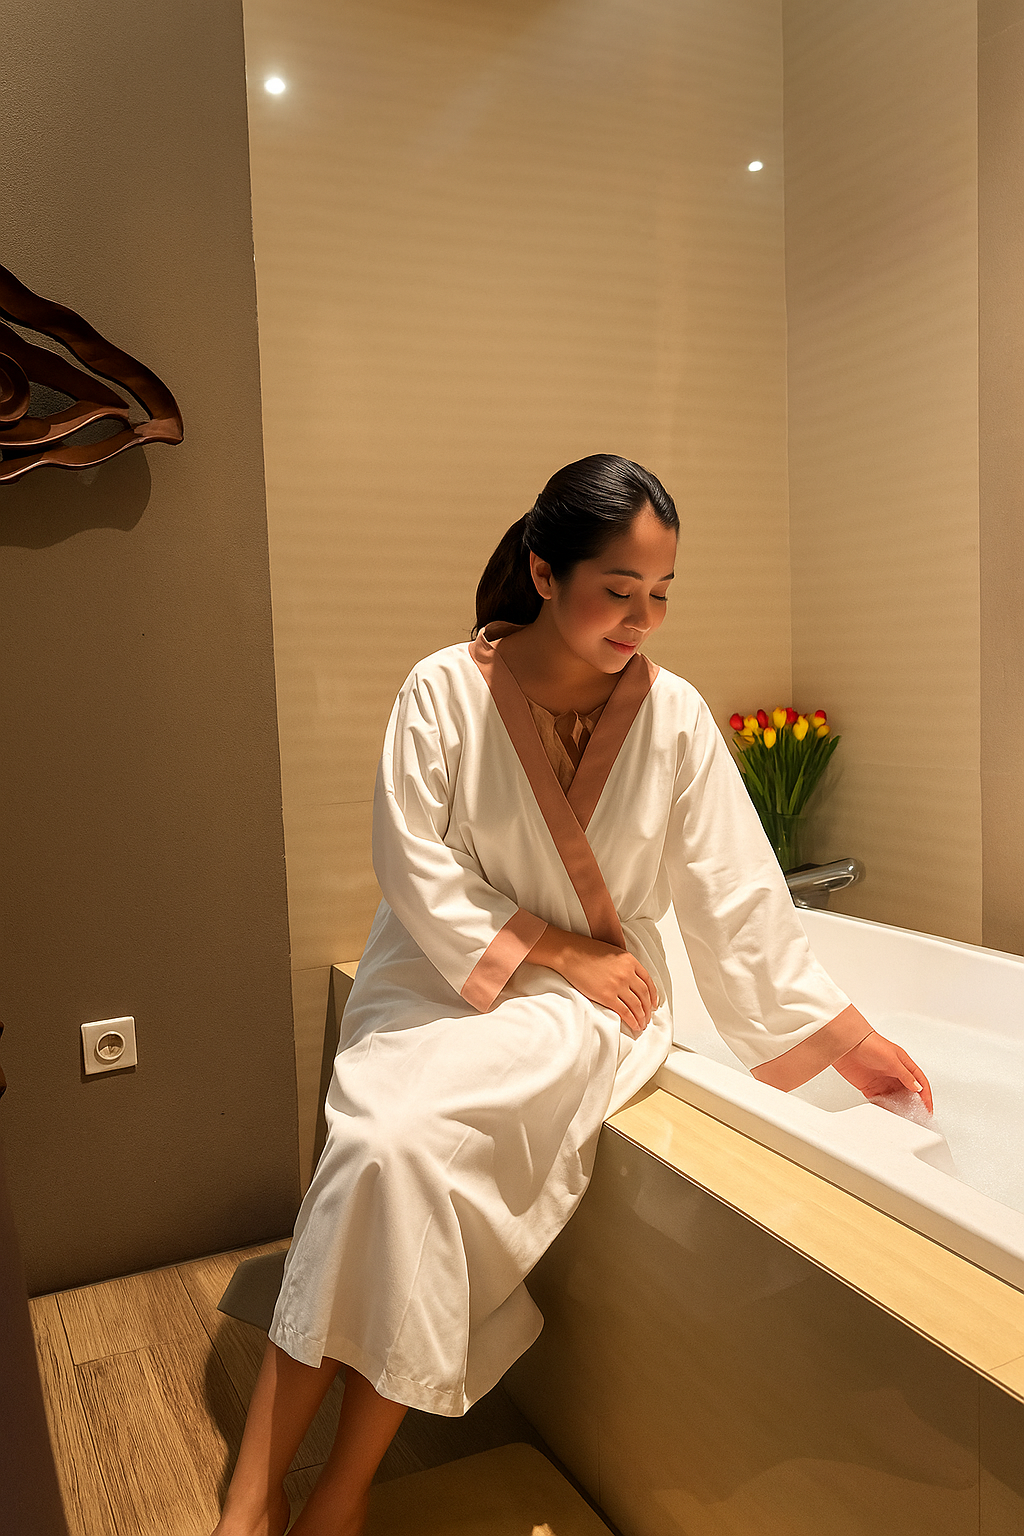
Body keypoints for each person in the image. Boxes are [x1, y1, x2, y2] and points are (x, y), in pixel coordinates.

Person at [212, 454, 932, 1536]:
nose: (642, 621)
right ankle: (254, 1495)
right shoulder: (443, 690)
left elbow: (735, 890)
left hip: (587, 1003)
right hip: (439, 972)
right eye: (618, 591)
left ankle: (340, 1495)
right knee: (375, 1147)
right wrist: (553, 946)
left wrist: (842, 1036)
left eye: (661, 595)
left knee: (409, 1150)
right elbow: (412, 865)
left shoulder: (673, 716)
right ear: (545, 574)